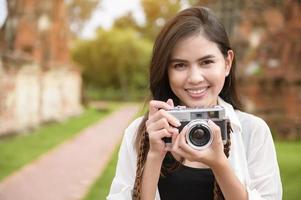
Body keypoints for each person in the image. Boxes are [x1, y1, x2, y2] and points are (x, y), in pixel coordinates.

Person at [107, 6, 282, 200]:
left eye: (206, 62)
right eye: (180, 65)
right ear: (166, 71)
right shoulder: (140, 133)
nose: (195, 78)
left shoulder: (252, 131)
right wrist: (155, 156)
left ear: (227, 63)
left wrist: (219, 165)